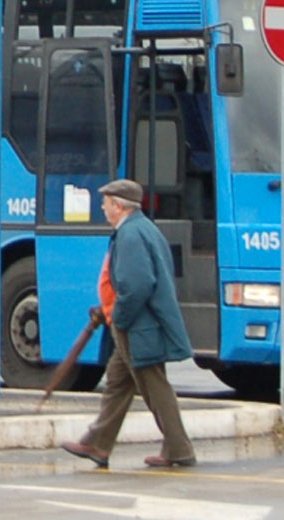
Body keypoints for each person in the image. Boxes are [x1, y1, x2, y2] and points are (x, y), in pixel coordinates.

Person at [61, 178, 196, 469]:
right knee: (117, 384)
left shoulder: (131, 235)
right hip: (136, 324)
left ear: (119, 206)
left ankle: (180, 449)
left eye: (106, 203)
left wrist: (118, 316)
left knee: (154, 388)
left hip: (136, 326)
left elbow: (138, 285)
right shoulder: (141, 229)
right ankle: (97, 444)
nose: (102, 207)